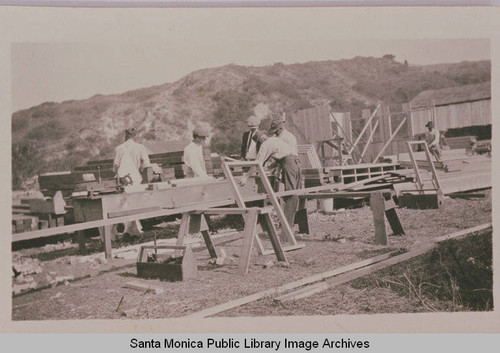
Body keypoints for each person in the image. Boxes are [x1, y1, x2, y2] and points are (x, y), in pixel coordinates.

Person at [238, 130, 301, 228]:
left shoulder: (265, 144)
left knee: (290, 196)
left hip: (290, 165)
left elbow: (257, 163)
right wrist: (267, 168)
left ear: (260, 140)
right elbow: (281, 158)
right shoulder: (275, 139)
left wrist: (246, 176)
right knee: (294, 195)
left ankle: (287, 231)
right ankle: (290, 227)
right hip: (295, 164)